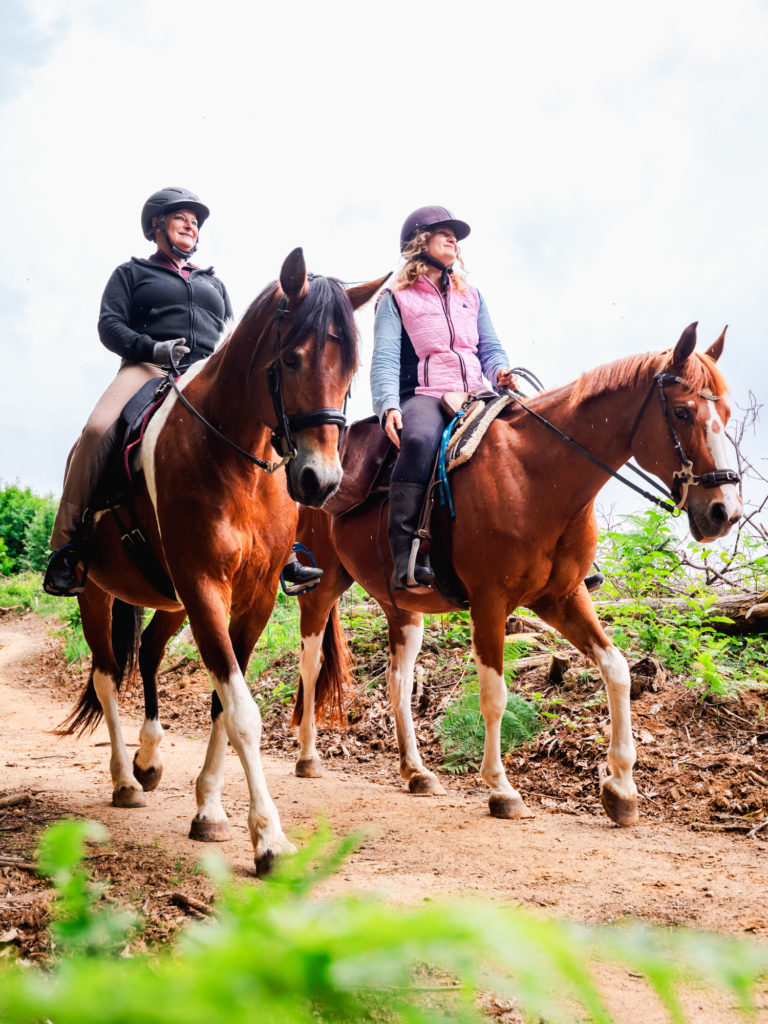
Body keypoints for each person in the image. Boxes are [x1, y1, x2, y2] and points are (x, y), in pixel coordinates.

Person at [44, 186, 323, 597]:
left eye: (196, 221)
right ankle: (69, 546)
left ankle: (285, 554)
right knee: (97, 431)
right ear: (156, 225)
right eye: (181, 218)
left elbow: (232, 335)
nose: (191, 225)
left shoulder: (213, 283)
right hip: (148, 367)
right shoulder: (132, 273)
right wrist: (151, 348)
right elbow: (110, 327)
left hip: (207, 373)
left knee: (275, 440)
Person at [370, 205, 516, 589]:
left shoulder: (472, 295)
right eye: (443, 233)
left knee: (535, 430)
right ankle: (406, 554)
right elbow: (384, 357)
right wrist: (387, 404)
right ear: (420, 242)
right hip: (426, 394)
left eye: (455, 235)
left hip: (479, 392)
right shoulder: (395, 297)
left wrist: (500, 370)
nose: (453, 239)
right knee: (417, 441)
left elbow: (490, 348)